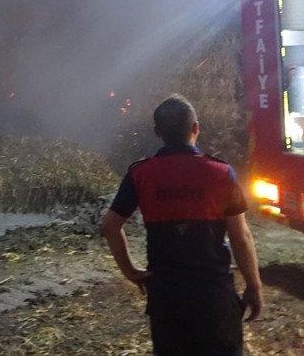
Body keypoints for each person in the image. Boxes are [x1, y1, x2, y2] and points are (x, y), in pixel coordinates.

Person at [101, 95, 262, 356]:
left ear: (157, 132)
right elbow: (240, 235)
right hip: (214, 296)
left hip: (166, 298)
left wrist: (130, 271)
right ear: (195, 128)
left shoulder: (140, 173)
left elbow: (110, 226)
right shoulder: (221, 172)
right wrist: (254, 286)